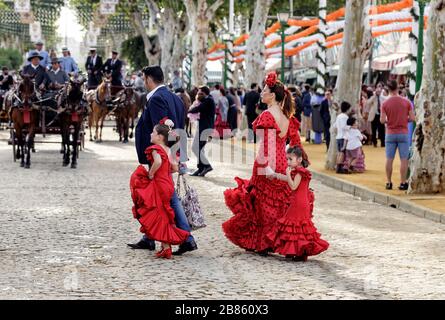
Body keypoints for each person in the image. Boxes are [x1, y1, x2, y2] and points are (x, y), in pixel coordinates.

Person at [222, 72, 306, 255]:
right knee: (279, 203)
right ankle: (279, 241)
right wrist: (297, 164)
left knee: (262, 204)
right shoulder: (286, 117)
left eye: (265, 90)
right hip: (282, 161)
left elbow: (267, 145)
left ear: (273, 95)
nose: (261, 93)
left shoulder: (268, 115)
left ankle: (263, 242)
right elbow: (296, 143)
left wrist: (264, 166)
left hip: (268, 161)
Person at [130, 65, 197, 255]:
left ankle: (187, 238)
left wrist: (161, 155)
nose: (144, 82)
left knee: (167, 198)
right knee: (159, 197)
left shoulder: (158, 98)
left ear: (149, 79)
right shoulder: (174, 97)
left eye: (144, 79)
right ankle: (150, 237)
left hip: (160, 154)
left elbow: (162, 130)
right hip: (168, 153)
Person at [130, 119, 190, 259]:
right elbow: (175, 168)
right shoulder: (170, 150)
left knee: (159, 215)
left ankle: (166, 247)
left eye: (153, 132)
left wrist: (151, 174)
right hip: (168, 184)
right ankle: (165, 247)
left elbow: (158, 162)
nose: (151, 134)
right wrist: (164, 172)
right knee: (164, 215)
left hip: (159, 184)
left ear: (160, 137)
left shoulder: (156, 149)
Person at [266, 147, 329, 261]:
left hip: (298, 203)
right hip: (300, 202)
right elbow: (289, 179)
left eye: (290, 159)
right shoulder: (298, 171)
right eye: (287, 159)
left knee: (294, 226)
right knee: (296, 227)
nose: (288, 162)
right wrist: (275, 175)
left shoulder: (300, 172)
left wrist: (288, 174)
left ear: (299, 159)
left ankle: (298, 251)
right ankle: (294, 251)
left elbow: (293, 186)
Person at [380, 80, 415, 191]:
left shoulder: (385, 103)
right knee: (404, 159)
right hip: (403, 133)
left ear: (388, 89)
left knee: (389, 158)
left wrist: (389, 121)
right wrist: (404, 120)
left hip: (390, 133)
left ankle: (389, 182)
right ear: (397, 88)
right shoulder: (406, 102)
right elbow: (412, 118)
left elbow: (382, 120)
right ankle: (403, 182)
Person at [188, 86, 215, 177]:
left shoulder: (209, 100)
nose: (198, 95)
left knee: (195, 148)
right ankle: (200, 169)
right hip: (204, 127)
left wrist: (189, 110)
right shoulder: (207, 100)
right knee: (200, 149)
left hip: (205, 128)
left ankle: (207, 166)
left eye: (200, 93)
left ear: (204, 93)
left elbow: (198, 108)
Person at [367, 82, 386, 147]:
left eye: (379, 90)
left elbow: (385, 103)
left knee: (382, 129)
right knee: (373, 129)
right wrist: (374, 96)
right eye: (377, 89)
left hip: (381, 115)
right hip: (374, 115)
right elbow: (368, 102)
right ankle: (374, 142)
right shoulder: (373, 97)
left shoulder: (383, 97)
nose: (378, 91)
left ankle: (383, 143)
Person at [334, 101, 351, 173]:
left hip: (338, 136)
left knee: (339, 152)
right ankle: (339, 167)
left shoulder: (339, 116)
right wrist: (351, 127)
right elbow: (344, 127)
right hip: (343, 136)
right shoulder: (345, 117)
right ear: (347, 109)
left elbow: (335, 125)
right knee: (342, 152)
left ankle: (338, 166)